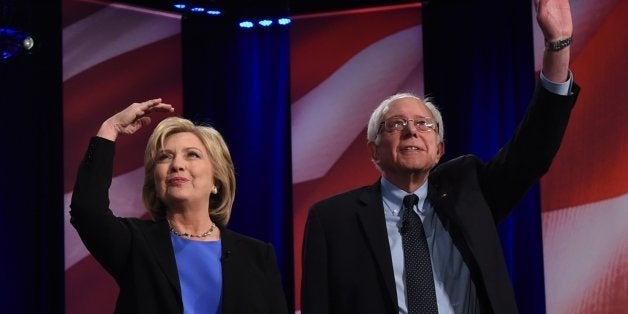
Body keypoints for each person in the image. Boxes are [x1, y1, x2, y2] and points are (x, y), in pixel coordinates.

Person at [300, 0, 579, 313]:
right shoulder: (333, 219)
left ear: (439, 149)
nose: (411, 131)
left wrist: (558, 45)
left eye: (423, 124)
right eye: (395, 124)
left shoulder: (468, 190)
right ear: (373, 149)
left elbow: (532, 150)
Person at [70, 100, 289, 313]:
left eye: (192, 155)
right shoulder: (136, 245)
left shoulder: (258, 256)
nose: (177, 165)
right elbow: (87, 211)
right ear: (155, 182)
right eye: (165, 157)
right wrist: (111, 128)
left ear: (217, 179)